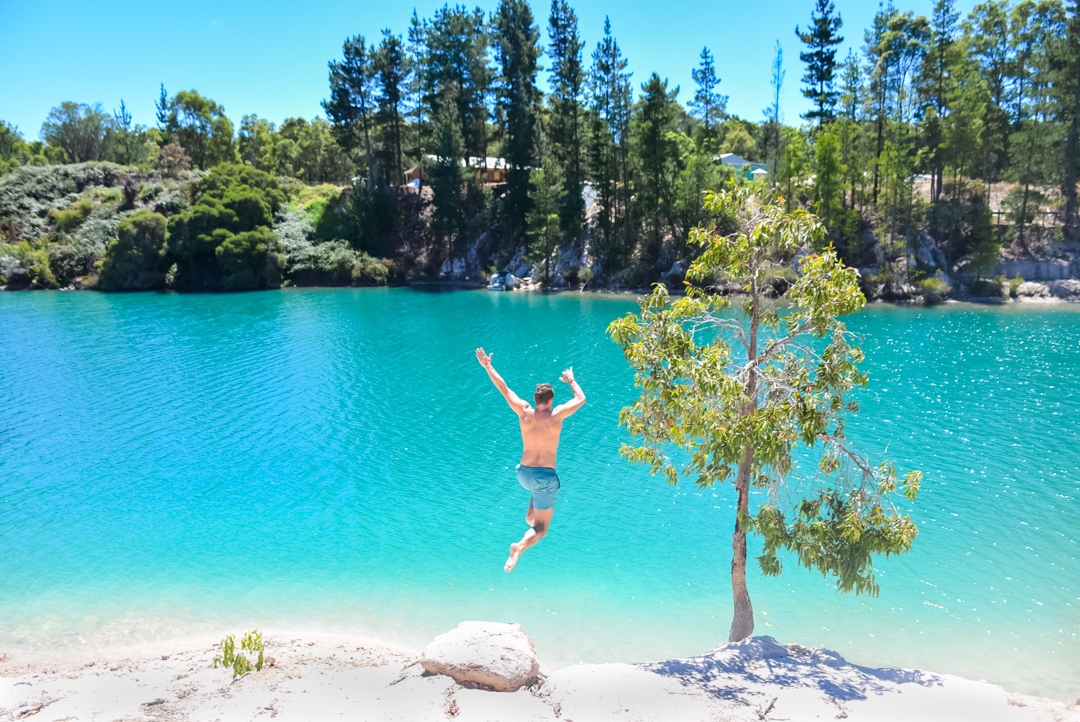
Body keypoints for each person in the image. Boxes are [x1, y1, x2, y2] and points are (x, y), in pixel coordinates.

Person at [475, 347, 586, 572]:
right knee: (541, 528)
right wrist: (571, 380)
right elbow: (581, 398)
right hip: (544, 477)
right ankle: (518, 548)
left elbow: (503, 388)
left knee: (531, 519)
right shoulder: (557, 415)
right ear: (551, 399)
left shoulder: (524, 411)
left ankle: (532, 512)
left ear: (535, 399)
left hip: (524, 473)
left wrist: (488, 366)